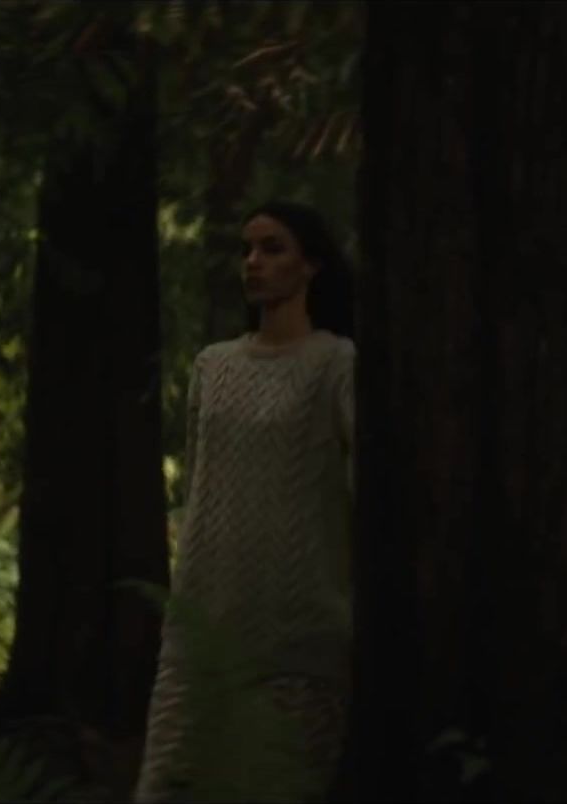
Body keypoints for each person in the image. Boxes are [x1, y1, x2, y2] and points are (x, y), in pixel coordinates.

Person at [133, 201, 357, 803]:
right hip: (201, 627)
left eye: (272, 248)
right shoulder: (213, 366)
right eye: (247, 249)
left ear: (311, 264)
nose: (253, 262)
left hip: (297, 637)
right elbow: (200, 486)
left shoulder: (335, 363)